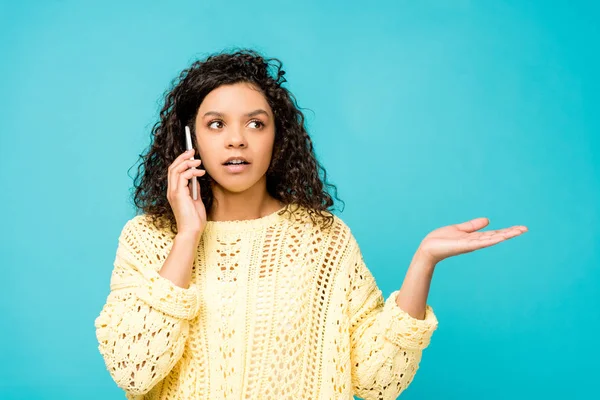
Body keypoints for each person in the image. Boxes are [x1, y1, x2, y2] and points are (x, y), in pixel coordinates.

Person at [94, 48, 528, 399]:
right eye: (216, 124)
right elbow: (134, 370)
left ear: (277, 139)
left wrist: (424, 261)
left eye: (255, 124)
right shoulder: (149, 239)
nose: (236, 139)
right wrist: (188, 234)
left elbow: (376, 382)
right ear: (190, 140)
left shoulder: (323, 238)